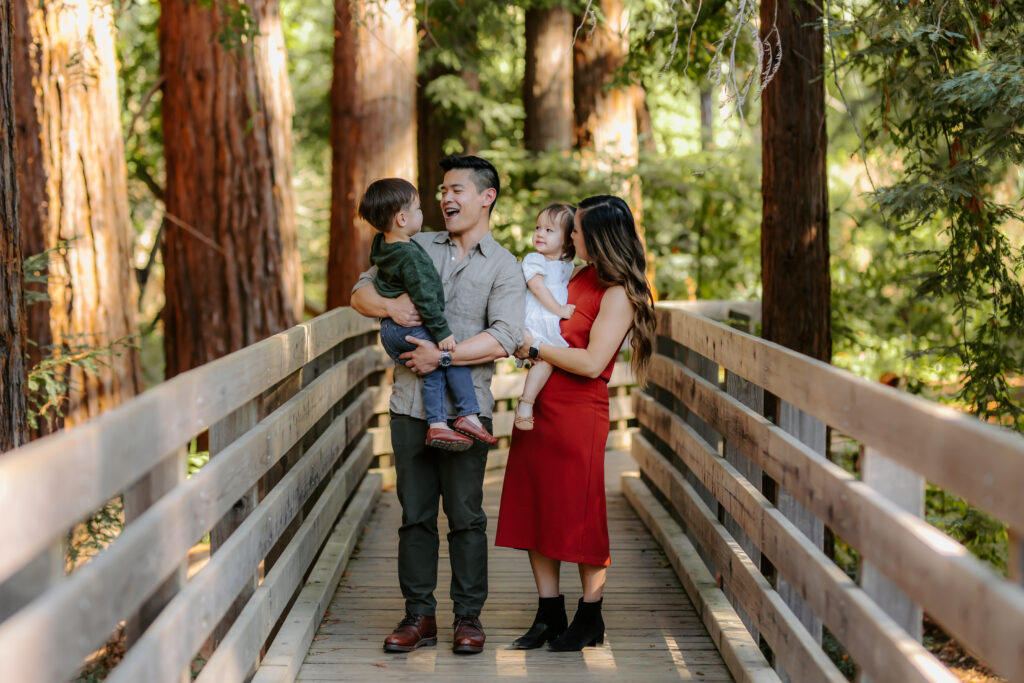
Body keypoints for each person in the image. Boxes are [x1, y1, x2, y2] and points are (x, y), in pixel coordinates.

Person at [349, 155, 525, 655]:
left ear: (486, 197)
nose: (446, 198)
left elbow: (506, 337)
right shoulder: (415, 243)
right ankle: (418, 617)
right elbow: (360, 292)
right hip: (408, 405)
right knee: (415, 515)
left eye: (457, 190)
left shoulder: (505, 266)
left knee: (466, 516)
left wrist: (440, 352)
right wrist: (388, 307)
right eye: (442, 190)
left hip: (470, 410)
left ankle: (468, 618)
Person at [495, 194, 656, 651]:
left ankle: (591, 617)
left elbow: (590, 362)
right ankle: (549, 613)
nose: (571, 236)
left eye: (578, 230)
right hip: (541, 404)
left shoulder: (620, 292)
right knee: (537, 504)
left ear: (600, 236)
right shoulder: (579, 275)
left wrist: (532, 350)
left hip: (579, 409)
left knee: (580, 513)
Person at [360, 177, 498, 450]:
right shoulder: (412, 255)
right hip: (410, 327)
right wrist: (442, 333)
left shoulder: (382, 243)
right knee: (450, 356)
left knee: (433, 371)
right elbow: (424, 298)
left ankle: (437, 426)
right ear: (401, 219)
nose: (423, 213)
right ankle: (468, 414)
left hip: (391, 331)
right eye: (418, 208)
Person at [514, 203, 576, 430]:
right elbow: (538, 288)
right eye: (538, 227)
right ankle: (526, 403)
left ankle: (528, 403)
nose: (540, 233)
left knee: (547, 361)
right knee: (546, 358)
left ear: (568, 240)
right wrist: (559, 310)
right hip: (536, 317)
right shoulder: (534, 259)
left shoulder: (566, 266)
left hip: (548, 319)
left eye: (549, 230)